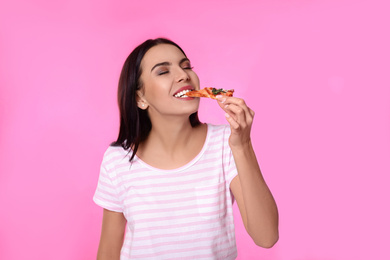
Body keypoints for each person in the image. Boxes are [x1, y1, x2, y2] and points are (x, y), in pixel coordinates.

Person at [93, 38, 279, 259]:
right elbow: (108, 251)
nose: (184, 75)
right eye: (163, 71)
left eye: (186, 65)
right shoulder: (118, 161)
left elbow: (266, 236)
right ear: (140, 97)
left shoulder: (225, 144)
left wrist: (243, 145)